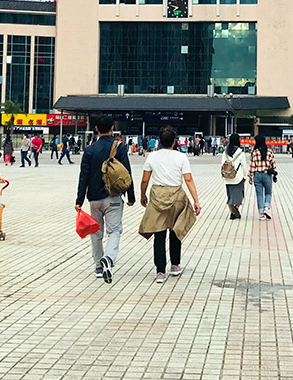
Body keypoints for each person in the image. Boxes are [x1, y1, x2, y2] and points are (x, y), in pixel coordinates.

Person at [75, 115, 135, 284]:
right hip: (113, 197)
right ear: (112, 128)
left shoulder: (89, 150)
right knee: (114, 230)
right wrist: (131, 196)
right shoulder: (119, 148)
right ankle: (108, 258)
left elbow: (83, 177)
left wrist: (79, 200)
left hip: (94, 198)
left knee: (96, 231)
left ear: (96, 130)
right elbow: (126, 174)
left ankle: (98, 266)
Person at [139, 127, 202, 284]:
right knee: (176, 231)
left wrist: (142, 195)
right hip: (176, 196)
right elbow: (188, 179)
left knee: (159, 234)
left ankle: (160, 271)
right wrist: (196, 200)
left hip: (157, 196)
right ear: (174, 142)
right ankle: (175, 265)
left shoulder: (152, 157)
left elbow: (145, 179)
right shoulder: (181, 157)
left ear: (160, 141)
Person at [248, 133, 277, 220]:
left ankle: (261, 214)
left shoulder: (255, 152)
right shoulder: (269, 151)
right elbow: (273, 164)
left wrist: (250, 176)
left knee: (259, 194)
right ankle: (266, 208)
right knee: (268, 192)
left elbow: (252, 166)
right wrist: (274, 173)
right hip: (267, 174)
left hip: (257, 174)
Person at [221, 133, 248, 220]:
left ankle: (232, 213)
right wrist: (245, 176)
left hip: (227, 177)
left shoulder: (225, 152)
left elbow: (222, 164)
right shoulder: (240, 152)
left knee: (230, 196)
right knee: (240, 195)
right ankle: (236, 208)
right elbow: (244, 165)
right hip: (238, 177)